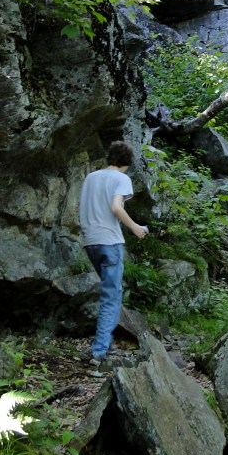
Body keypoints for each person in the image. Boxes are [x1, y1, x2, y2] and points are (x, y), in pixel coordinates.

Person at [79, 140, 148, 366]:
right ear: (127, 161)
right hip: (110, 241)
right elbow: (116, 207)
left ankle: (105, 343)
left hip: (90, 242)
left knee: (110, 292)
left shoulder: (91, 177)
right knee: (112, 296)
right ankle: (99, 351)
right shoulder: (121, 178)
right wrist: (136, 227)